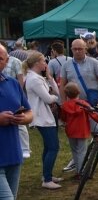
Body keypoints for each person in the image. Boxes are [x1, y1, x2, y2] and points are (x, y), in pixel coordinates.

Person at [0, 44, 42, 200]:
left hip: (12, 155)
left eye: (4, 58)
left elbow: (28, 111)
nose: (2, 62)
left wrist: (23, 118)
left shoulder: (12, 84)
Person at [59, 38, 98, 171]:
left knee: (96, 133)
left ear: (85, 49)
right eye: (75, 49)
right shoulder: (66, 65)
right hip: (74, 108)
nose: (77, 51)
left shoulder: (94, 62)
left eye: (80, 49)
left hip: (91, 105)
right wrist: (64, 103)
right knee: (75, 136)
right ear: (71, 49)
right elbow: (62, 84)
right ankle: (76, 160)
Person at [23, 52, 61, 189]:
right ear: (37, 63)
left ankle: (47, 175)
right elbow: (49, 98)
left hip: (43, 116)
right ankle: (47, 179)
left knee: (48, 147)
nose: (46, 63)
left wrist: (50, 78)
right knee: (53, 147)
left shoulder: (37, 77)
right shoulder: (35, 79)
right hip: (42, 118)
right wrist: (57, 99)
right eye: (43, 61)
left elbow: (55, 91)